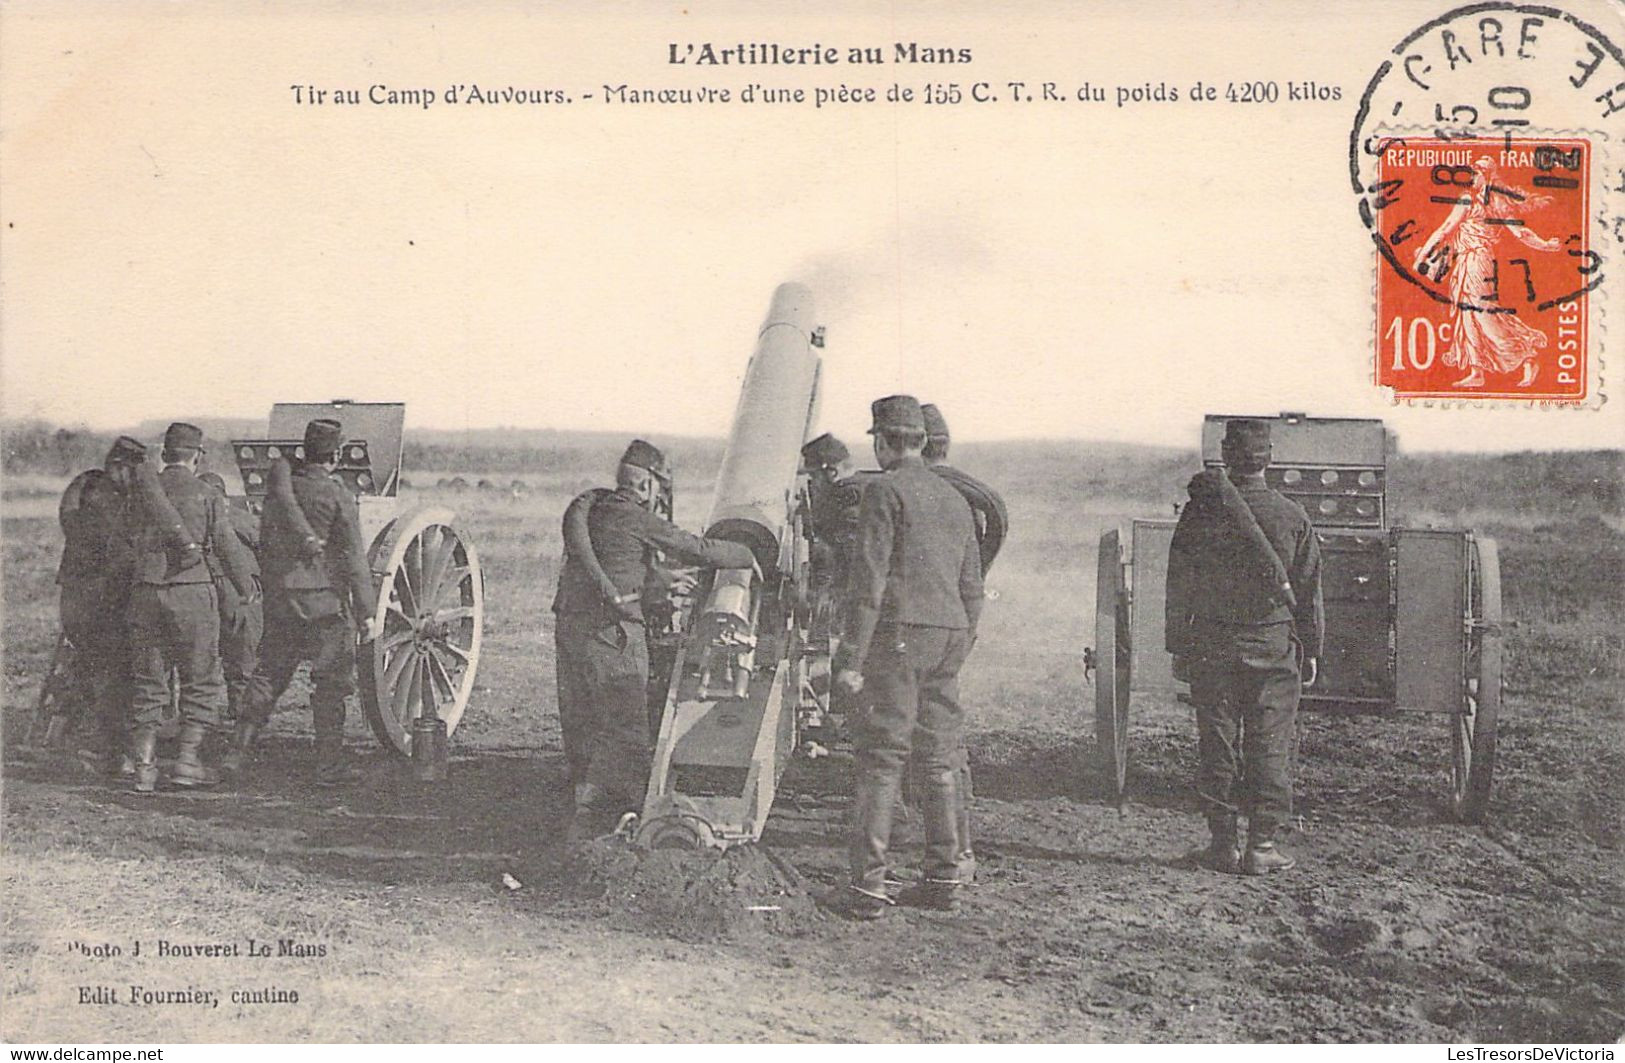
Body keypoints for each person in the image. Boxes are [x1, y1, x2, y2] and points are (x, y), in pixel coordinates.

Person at [551, 439, 755, 841]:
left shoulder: (595, 511)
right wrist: (751, 554)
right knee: (627, 728)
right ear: (646, 487)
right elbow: (696, 549)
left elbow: (621, 561)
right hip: (614, 634)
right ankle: (601, 822)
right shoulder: (635, 517)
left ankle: (582, 803)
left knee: (583, 720)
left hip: (571, 630)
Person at [833, 396, 984, 918]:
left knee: (883, 757)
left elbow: (869, 583)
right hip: (948, 636)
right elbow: (972, 588)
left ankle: (868, 887)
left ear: (882, 441)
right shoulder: (956, 498)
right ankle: (944, 878)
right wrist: (959, 644)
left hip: (899, 638)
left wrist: (851, 658)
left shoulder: (884, 491)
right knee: (937, 755)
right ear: (920, 440)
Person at [1165, 418, 1323, 875]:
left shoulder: (1199, 513)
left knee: (1217, 744)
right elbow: (1309, 590)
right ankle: (1263, 845)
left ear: (1225, 456)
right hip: (1273, 648)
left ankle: (1221, 845)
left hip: (1213, 648)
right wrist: (1310, 648)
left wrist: (1179, 644)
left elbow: (1179, 582)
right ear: (1269, 458)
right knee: (1269, 744)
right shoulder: (1292, 516)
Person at [225, 418, 378, 785]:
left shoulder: (281, 493)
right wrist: (367, 612)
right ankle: (328, 766)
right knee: (330, 683)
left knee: (268, 675)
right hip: (325, 603)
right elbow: (355, 558)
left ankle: (236, 753)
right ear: (337, 454)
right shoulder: (337, 494)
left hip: (282, 599)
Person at [124, 423, 257, 793]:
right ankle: (186, 762)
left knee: (150, 681)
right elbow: (227, 544)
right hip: (192, 595)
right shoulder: (206, 493)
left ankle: (144, 769)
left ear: (165, 454)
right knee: (201, 679)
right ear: (197, 456)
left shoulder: (139, 494)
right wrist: (246, 588)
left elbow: (121, 541)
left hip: (145, 594)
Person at [920, 402, 1010, 885]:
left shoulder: (902, 493)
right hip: (954, 627)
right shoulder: (970, 499)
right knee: (943, 738)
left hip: (914, 634)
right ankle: (958, 852)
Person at [1413, 154, 1560, 389]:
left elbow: (1519, 232)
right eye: (1473, 170)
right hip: (1465, 260)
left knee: (1483, 313)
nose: (1473, 175)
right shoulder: (1473, 200)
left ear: (1487, 175)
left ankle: (1526, 356)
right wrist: (1424, 255)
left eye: (1478, 171)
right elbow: (1445, 230)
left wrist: (1545, 245)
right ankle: (1476, 370)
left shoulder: (1489, 203)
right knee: (1467, 314)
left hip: (1478, 260)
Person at [55, 435, 147, 775]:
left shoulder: (83, 486)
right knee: (114, 672)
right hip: (102, 600)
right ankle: (103, 751)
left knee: (91, 665)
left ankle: (73, 736)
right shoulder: (115, 501)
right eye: (132, 471)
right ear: (119, 467)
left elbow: (68, 523)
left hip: (76, 597)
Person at [199, 472, 263, 726]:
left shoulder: (193, 517)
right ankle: (241, 716)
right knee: (243, 658)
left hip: (205, 594)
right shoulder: (239, 518)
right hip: (239, 596)